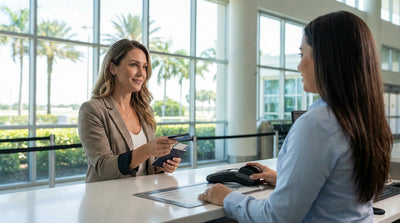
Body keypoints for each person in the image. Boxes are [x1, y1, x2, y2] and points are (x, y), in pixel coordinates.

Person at [198, 11, 393, 222]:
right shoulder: (367, 119)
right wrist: (285, 179)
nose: (299, 66)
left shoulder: (317, 124)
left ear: (326, 57)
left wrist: (228, 198)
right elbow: (341, 188)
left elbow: (277, 217)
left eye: (302, 54)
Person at [78, 39, 180, 183]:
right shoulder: (92, 110)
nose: (141, 73)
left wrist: (161, 165)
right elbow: (103, 167)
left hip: (143, 197)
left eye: (144, 67)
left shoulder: (145, 110)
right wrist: (147, 150)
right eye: (134, 65)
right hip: (107, 200)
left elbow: (145, 164)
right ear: (112, 68)